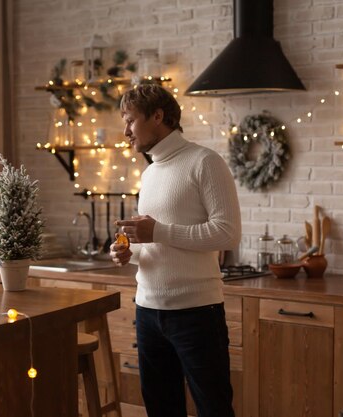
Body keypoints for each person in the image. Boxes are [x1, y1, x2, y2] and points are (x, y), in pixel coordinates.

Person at [110, 83, 240, 417]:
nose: (125, 131)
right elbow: (154, 244)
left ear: (158, 116)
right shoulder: (150, 172)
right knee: (161, 410)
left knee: (214, 410)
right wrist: (129, 252)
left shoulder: (205, 162)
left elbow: (227, 234)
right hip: (147, 312)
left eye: (130, 120)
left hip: (196, 313)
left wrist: (157, 230)